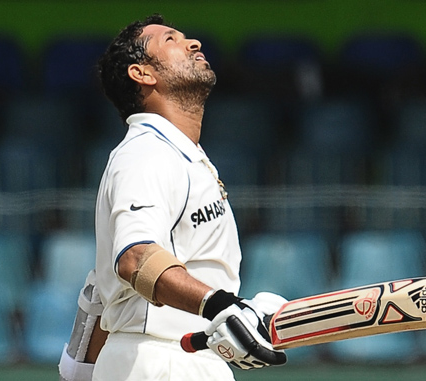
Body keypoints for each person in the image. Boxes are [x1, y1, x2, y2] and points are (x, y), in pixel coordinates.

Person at [59, 14, 287, 381]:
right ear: (142, 73)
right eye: (171, 40)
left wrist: (241, 312)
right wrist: (219, 304)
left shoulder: (182, 155)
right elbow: (135, 260)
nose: (193, 43)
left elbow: (103, 289)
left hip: (187, 358)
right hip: (159, 360)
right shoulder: (146, 153)